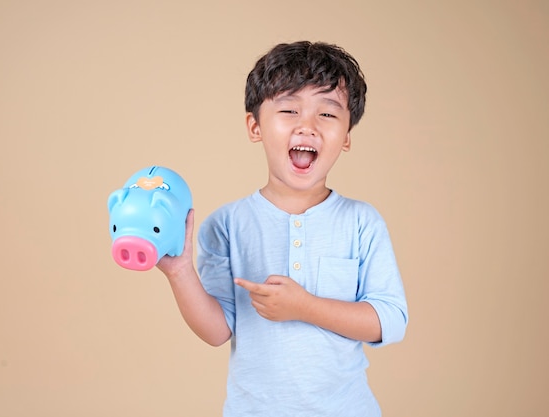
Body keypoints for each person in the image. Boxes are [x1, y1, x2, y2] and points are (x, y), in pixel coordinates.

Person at [157, 40, 408, 417]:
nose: (307, 125)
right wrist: (179, 272)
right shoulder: (225, 226)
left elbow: (390, 322)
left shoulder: (362, 222)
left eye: (327, 114)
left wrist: (306, 307)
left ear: (348, 136)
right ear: (255, 126)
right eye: (289, 109)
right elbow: (216, 331)